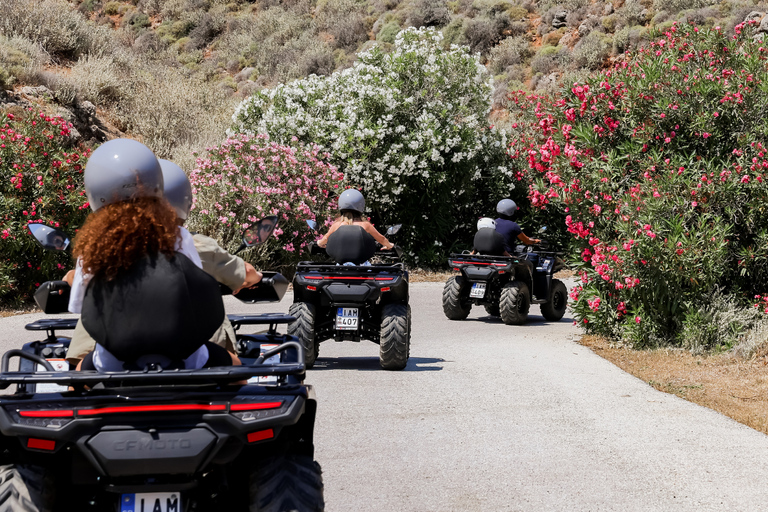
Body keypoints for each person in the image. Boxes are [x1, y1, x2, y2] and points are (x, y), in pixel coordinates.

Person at [66, 138, 238, 371]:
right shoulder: (180, 236)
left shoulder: (92, 250)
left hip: (114, 363)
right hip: (186, 358)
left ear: (94, 192)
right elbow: (196, 292)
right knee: (236, 367)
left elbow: (82, 307)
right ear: (157, 185)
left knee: (76, 377)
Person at [316, 189, 394, 265]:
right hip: (362, 266)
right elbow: (382, 239)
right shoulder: (366, 225)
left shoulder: (337, 225)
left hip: (341, 267)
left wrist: (319, 243)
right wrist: (389, 245)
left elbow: (325, 239)